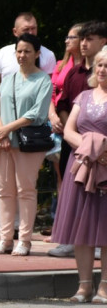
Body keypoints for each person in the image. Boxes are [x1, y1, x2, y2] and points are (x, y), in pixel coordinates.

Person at [47, 22, 106, 258]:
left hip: (100, 154)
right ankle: (72, 239)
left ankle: (100, 242)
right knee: (72, 193)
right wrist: (75, 137)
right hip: (76, 147)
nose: (83, 43)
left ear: (103, 42)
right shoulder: (73, 72)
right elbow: (65, 104)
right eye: (81, 38)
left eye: (89, 38)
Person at [52, 47, 107, 303]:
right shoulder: (83, 96)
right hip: (81, 167)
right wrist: (91, 148)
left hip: (105, 168)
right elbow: (69, 131)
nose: (103, 70)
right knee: (81, 231)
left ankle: (105, 287)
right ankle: (84, 287)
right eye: (100, 65)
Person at [0, 33, 52, 256]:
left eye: (27, 51)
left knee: (25, 190)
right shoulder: (7, 80)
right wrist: (1, 131)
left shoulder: (44, 80)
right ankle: (5, 238)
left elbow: (37, 113)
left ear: (37, 54)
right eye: (19, 51)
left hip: (28, 142)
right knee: (4, 192)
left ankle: (24, 240)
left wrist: (8, 128)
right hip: (2, 142)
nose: (22, 55)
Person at [0, 12, 56, 85]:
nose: (31, 32)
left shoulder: (48, 55)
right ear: (15, 32)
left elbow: (50, 86)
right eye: (26, 29)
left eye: (33, 28)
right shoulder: (4, 53)